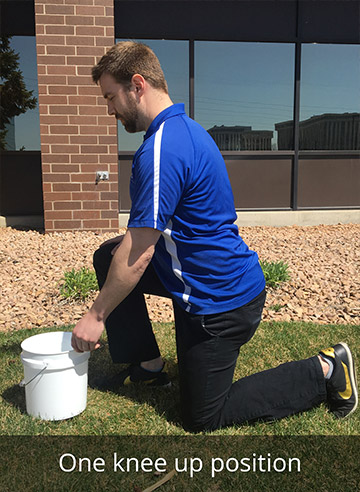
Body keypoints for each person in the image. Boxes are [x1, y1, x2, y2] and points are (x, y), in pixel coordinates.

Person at [71, 41, 358, 432]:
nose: (109, 109)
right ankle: (149, 366)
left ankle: (326, 368)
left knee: (203, 416)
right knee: (109, 256)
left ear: (137, 85)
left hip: (220, 306)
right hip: (200, 280)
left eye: (110, 96)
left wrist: (96, 315)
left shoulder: (162, 149)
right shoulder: (184, 130)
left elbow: (139, 251)